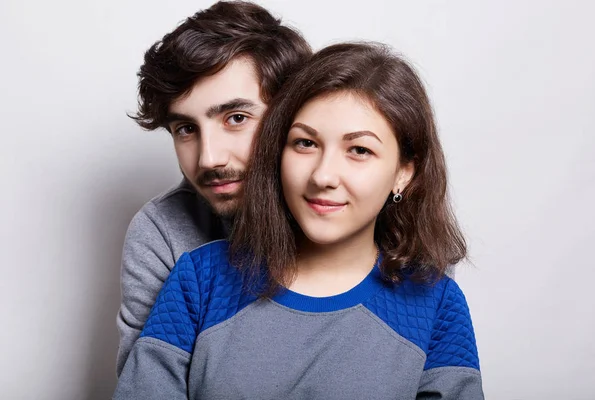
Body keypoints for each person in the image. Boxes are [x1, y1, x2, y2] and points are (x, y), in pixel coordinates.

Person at [114, 42, 484, 399]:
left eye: (359, 149)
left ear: (405, 172)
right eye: (305, 143)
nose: (323, 175)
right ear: (278, 147)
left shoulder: (435, 301)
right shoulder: (197, 275)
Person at [115, 0, 311, 375]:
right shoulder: (162, 229)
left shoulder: (364, 208)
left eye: (236, 118)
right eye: (185, 129)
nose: (208, 159)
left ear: (293, 114)